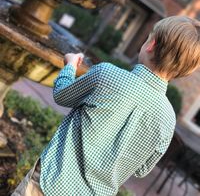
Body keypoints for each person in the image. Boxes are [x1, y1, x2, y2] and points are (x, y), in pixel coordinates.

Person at [12, 16, 200, 196]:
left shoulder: (106, 73)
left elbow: (62, 95)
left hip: (51, 182)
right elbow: (142, 170)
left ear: (152, 45)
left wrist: (70, 66)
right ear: (184, 71)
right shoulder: (168, 119)